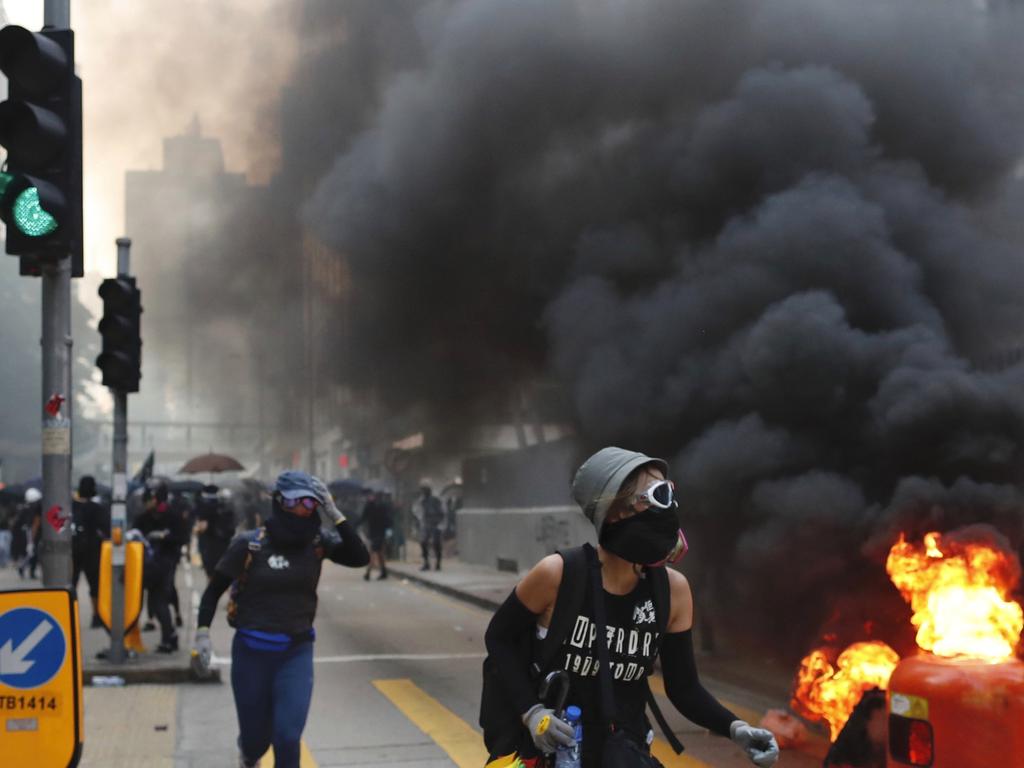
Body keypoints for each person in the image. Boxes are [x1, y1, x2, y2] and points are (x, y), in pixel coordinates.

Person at [482, 447, 779, 767]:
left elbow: (684, 688)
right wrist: (533, 713)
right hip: (553, 755)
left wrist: (736, 728)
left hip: (624, 753)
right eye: (658, 495)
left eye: (671, 493)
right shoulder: (558, 574)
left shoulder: (672, 590)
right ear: (615, 511)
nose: (671, 508)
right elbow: (499, 637)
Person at [190, 471, 369, 768]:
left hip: (295, 654)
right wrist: (202, 634)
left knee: (287, 738)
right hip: (250, 655)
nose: (302, 509)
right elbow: (212, 594)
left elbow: (359, 556)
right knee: (255, 742)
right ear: (278, 502)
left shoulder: (318, 543)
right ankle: (248, 755)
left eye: (310, 503)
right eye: (294, 501)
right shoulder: (249, 545)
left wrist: (334, 512)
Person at [135, 483, 187, 652]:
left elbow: (182, 537)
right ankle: (170, 635)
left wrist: (164, 537)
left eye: (148, 501)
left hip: (166, 564)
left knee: (160, 602)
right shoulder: (143, 518)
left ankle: (169, 637)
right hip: (147, 566)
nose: (146, 505)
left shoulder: (172, 516)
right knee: (154, 602)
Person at [71, 475, 110, 628]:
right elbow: (107, 529)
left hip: (73, 549)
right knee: (95, 585)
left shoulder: (70, 506)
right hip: (92, 550)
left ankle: (69, 614)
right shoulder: (96, 508)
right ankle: (97, 616)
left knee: (71, 584)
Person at [195, 484, 236, 579]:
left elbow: (202, 527)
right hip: (224, 545)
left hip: (209, 546)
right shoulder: (225, 506)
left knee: (211, 575)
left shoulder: (204, 508)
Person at [360, 487, 393, 581]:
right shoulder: (374, 506)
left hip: (378, 533)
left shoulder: (381, 506)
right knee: (379, 553)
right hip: (377, 533)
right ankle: (383, 572)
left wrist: (389, 530)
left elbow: (388, 520)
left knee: (373, 552)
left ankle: (368, 572)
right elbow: (363, 517)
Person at [414, 484, 445, 571]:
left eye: (424, 491)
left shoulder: (436, 500)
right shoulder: (422, 501)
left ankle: (438, 563)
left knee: (436, 544)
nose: (423, 493)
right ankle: (426, 563)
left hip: (435, 524)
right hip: (427, 524)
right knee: (423, 543)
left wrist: (439, 523)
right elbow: (418, 512)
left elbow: (442, 512)